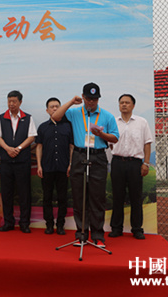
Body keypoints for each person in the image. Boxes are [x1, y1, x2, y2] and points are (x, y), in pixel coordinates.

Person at [52, 83, 119, 248]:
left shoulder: (107, 116)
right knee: (79, 196)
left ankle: (97, 236)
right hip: (79, 155)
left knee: (97, 198)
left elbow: (115, 138)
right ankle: (81, 234)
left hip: (98, 157)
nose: (91, 102)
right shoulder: (75, 112)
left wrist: (101, 134)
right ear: (83, 97)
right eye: (88, 99)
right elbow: (56, 117)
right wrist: (70, 102)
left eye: (95, 99)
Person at [109, 94, 153, 240]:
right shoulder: (113, 122)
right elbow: (110, 143)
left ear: (133, 105)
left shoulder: (142, 122)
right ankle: (116, 228)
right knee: (117, 196)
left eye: (127, 102)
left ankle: (137, 229)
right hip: (117, 162)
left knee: (136, 197)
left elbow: (147, 143)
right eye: (121, 102)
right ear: (118, 105)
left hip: (135, 163)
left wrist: (146, 163)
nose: (124, 105)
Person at [0, 90, 36, 233]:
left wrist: (18, 148)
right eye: (9, 101)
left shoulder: (27, 118)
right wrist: (7, 149)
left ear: (20, 102)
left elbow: (31, 137)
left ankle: (24, 223)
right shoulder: (1, 118)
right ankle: (8, 222)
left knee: (24, 193)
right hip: (6, 162)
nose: (11, 104)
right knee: (6, 193)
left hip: (22, 161)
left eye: (14, 101)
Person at [35, 97, 73, 235]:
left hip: (63, 168)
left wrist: (70, 164)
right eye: (52, 107)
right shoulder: (43, 127)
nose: (55, 109)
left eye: (57, 106)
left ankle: (61, 225)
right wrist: (39, 165)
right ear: (47, 110)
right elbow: (39, 147)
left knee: (62, 198)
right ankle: (49, 225)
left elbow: (71, 147)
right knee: (47, 198)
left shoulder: (68, 126)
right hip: (47, 168)